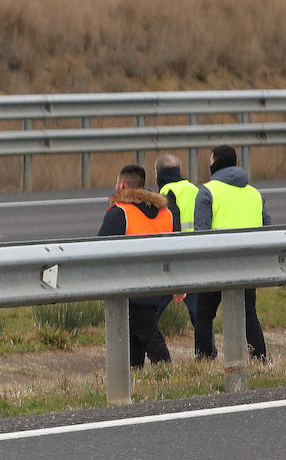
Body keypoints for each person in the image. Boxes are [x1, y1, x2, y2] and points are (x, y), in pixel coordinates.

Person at [192, 145, 269, 361]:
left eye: (210, 161)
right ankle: (260, 359)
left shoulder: (208, 191)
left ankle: (204, 360)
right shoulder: (255, 193)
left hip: (216, 265)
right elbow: (268, 229)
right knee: (249, 313)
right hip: (248, 265)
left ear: (215, 163)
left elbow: (200, 233)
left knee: (204, 315)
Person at [97, 164, 175, 368]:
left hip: (131, 286)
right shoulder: (165, 212)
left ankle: (167, 371)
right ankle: (134, 372)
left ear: (122, 184)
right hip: (161, 285)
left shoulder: (120, 212)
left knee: (148, 334)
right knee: (133, 334)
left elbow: (98, 250)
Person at [155, 153, 199, 320]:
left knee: (150, 315)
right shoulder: (194, 189)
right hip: (198, 257)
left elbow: (173, 230)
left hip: (177, 261)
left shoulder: (165, 194)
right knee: (200, 318)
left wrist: (177, 273)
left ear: (157, 174)